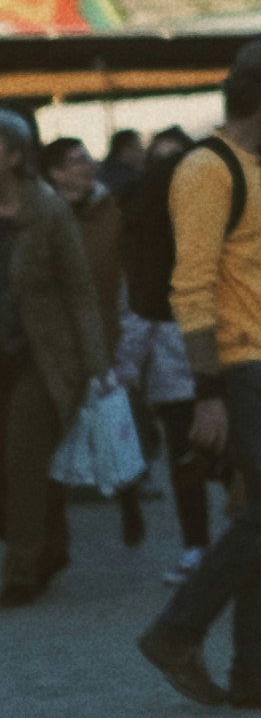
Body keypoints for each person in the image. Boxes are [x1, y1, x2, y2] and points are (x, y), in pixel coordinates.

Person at [135, 43, 261, 712]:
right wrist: (208, 392)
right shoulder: (205, 168)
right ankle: (176, 630)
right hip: (243, 362)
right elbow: (189, 286)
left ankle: (258, 668)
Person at [0, 110, 108, 606]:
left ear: (16, 155)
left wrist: (95, 365)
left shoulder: (47, 212)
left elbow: (81, 291)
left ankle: (21, 569)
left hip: (40, 359)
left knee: (23, 459)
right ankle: (47, 545)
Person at [42, 133, 146, 547]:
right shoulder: (41, 218)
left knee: (117, 427)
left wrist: (128, 351)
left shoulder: (112, 215)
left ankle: (129, 497)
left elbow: (127, 282)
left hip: (107, 338)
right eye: (74, 161)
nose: (86, 166)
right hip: (55, 347)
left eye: (87, 159)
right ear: (53, 173)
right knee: (51, 441)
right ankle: (51, 540)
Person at [117, 130, 206, 580]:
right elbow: (135, 307)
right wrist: (127, 371)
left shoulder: (208, 222)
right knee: (185, 459)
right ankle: (197, 545)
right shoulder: (148, 235)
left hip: (215, 360)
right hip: (172, 370)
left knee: (226, 458)